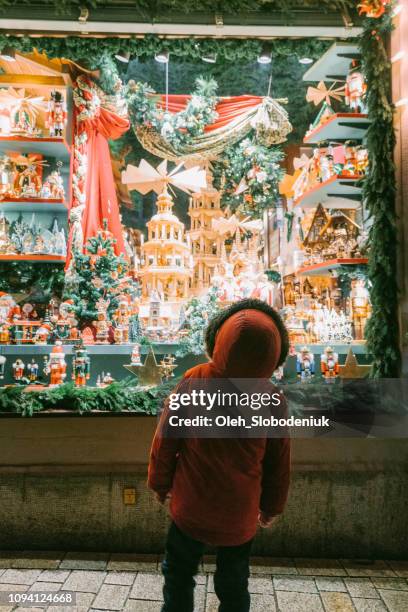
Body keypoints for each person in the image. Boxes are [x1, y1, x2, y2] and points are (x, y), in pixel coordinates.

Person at [148, 298, 291, 612]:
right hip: (239, 513)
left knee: (178, 573)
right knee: (234, 582)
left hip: (191, 507)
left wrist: (159, 482)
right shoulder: (271, 398)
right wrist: (270, 507)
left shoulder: (194, 379)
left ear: (218, 338)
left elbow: (167, 437)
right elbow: (278, 463)